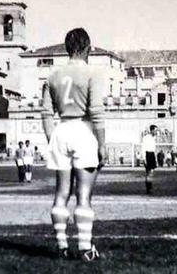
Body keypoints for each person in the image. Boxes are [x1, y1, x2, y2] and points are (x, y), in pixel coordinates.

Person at [41, 28, 106, 261]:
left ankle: (61, 246)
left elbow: (46, 113)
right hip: (83, 130)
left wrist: (52, 138)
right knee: (84, 195)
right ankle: (86, 249)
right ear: (87, 47)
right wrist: (102, 143)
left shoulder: (52, 75)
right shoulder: (92, 73)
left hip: (61, 130)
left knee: (61, 194)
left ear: (68, 48)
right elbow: (96, 111)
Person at [142, 125, 157, 194]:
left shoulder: (154, 138)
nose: (156, 131)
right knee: (148, 172)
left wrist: (155, 158)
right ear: (152, 130)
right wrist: (144, 158)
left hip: (152, 155)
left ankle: (150, 187)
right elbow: (143, 148)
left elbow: (154, 149)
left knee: (152, 172)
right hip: (148, 154)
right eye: (155, 130)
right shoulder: (146, 137)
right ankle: (148, 188)